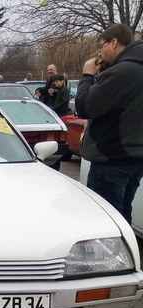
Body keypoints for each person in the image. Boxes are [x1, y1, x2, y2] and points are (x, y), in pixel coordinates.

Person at [75, 23, 143, 223]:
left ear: (113, 43)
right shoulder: (136, 69)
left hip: (112, 159)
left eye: (101, 45)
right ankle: (126, 253)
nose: (100, 51)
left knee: (105, 221)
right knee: (122, 215)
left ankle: (109, 255)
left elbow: (85, 107)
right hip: (135, 158)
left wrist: (87, 76)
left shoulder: (121, 72)